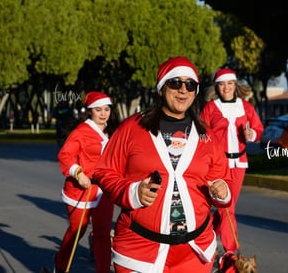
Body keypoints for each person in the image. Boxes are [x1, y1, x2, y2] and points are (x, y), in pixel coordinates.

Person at [94, 56, 233, 273]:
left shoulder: (207, 135)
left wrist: (222, 192)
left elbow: (222, 179)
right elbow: (104, 171)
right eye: (175, 83)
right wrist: (132, 192)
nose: (183, 90)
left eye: (190, 85)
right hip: (139, 249)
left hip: (194, 252)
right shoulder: (132, 128)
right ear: (161, 88)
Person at [200, 68, 264, 255]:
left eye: (229, 83)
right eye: (222, 84)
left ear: (235, 85)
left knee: (227, 207)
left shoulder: (246, 107)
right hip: (219, 165)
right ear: (216, 87)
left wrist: (252, 134)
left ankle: (205, 237)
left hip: (239, 163)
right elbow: (202, 135)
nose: (226, 88)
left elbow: (258, 129)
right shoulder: (210, 108)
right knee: (226, 207)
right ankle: (231, 251)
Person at [54, 92, 119, 273]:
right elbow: (65, 155)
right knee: (77, 231)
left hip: (104, 190)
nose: (103, 113)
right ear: (90, 111)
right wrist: (78, 173)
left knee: (103, 235)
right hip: (81, 189)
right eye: (98, 110)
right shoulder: (81, 131)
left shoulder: (114, 131)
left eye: (106, 109)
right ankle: (60, 264)